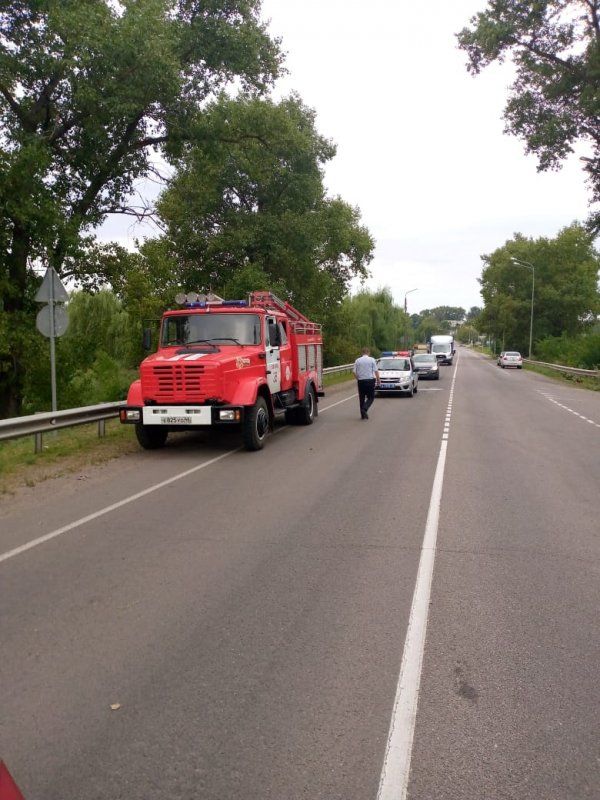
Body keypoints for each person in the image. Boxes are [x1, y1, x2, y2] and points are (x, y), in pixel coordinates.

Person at [353, 347, 380, 419]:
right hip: (370, 381)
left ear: (362, 353)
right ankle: (364, 409)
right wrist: (378, 380)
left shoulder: (357, 360)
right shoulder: (372, 360)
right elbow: (376, 371)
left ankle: (362, 415)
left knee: (361, 398)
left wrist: (358, 378)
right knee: (371, 397)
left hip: (361, 381)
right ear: (369, 353)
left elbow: (354, 372)